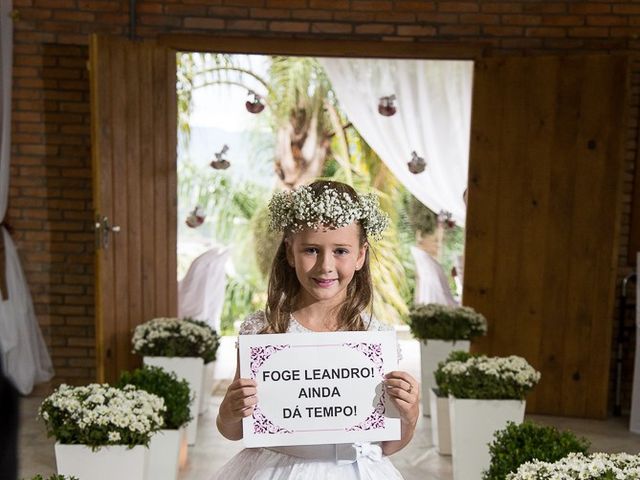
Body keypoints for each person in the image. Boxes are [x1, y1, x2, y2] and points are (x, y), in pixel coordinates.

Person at [213, 180, 419, 479]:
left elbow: (386, 444)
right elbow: (233, 430)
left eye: (340, 251)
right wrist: (229, 412)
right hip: (276, 469)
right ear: (289, 251)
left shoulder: (373, 337)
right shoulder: (264, 333)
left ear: (360, 255)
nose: (325, 265)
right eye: (311, 249)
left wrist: (409, 416)